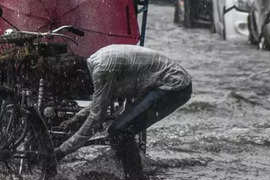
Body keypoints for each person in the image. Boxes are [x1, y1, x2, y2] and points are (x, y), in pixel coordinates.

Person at [54, 44, 192, 169]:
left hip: (174, 85)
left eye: (75, 84)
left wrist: (61, 151)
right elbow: (100, 102)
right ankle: (127, 170)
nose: (78, 88)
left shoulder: (102, 70)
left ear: (79, 74)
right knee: (119, 132)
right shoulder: (96, 60)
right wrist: (77, 119)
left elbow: (96, 118)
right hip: (162, 82)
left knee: (121, 131)